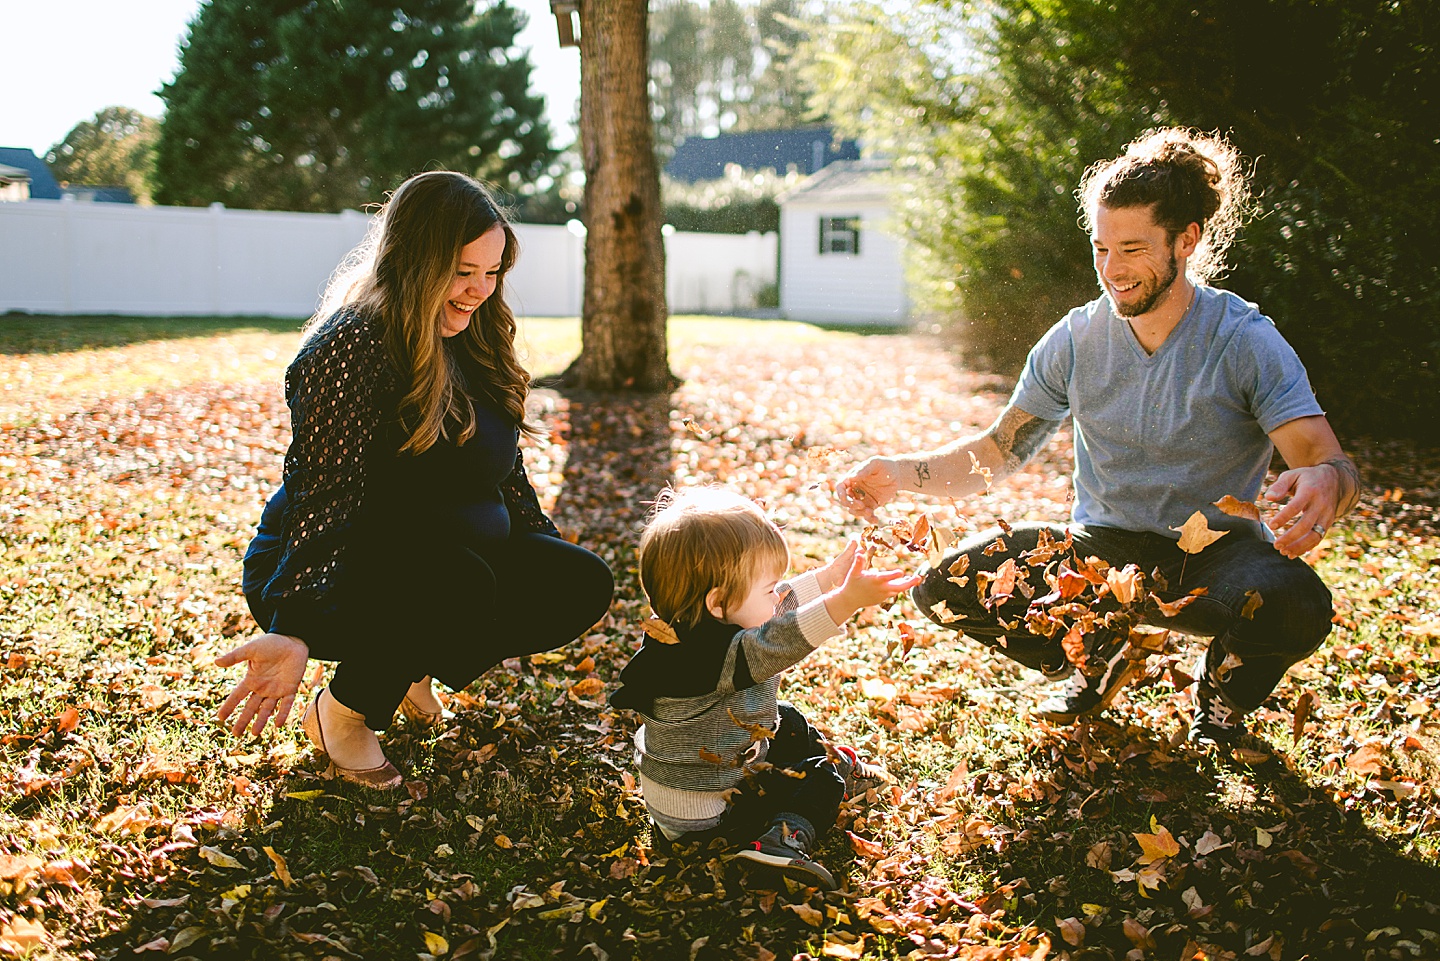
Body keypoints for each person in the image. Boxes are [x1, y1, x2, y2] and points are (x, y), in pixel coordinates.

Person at [837, 128, 1359, 746]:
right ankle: (1097, 657)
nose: (1112, 270)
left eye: (1133, 248)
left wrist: (1328, 481)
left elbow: (1327, 461)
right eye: (1101, 248)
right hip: (1101, 550)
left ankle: (1218, 696)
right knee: (945, 585)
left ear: (1186, 240)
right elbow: (997, 452)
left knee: (1298, 602)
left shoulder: (1244, 340)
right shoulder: (1076, 339)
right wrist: (898, 474)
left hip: (1217, 557)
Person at [215, 171, 614, 788]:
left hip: (447, 564)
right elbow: (324, 489)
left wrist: (545, 549)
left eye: (492, 271)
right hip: (335, 567)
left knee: (576, 581)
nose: (479, 289)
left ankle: (409, 665)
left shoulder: (475, 336)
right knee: (458, 581)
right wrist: (291, 624)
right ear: (415, 260)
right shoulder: (351, 344)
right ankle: (342, 712)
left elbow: (505, 474)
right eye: (462, 272)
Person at [611, 487, 920, 888]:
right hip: (711, 814)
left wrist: (829, 578)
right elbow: (783, 638)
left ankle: (832, 757)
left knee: (784, 719)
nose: (778, 595)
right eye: (769, 587)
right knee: (824, 779)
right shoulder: (721, 657)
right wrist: (845, 600)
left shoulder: (679, 633)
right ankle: (782, 839)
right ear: (718, 602)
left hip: (679, 794)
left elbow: (774, 612)